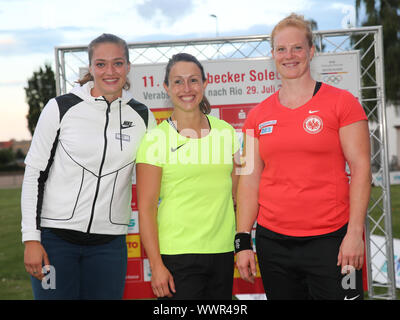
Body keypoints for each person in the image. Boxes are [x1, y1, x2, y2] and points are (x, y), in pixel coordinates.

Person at [235, 13, 371, 300]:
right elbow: (248, 180)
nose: (289, 56)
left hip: (333, 241)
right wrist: (243, 240)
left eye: (297, 47)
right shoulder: (257, 116)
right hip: (274, 245)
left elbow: (361, 169)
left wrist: (354, 234)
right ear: (273, 55)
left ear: (311, 51)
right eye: (281, 49)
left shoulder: (342, 103)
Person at [21, 33, 156, 300]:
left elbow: (153, 180)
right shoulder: (60, 107)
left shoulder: (143, 116)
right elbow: (34, 176)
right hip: (55, 243)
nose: (110, 71)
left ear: (128, 67)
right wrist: (31, 239)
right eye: (101, 64)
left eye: (118, 63)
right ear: (90, 67)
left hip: (109, 245)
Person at [136, 53, 240, 300]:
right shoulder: (154, 139)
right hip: (176, 255)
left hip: (222, 252)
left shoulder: (227, 133)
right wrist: (157, 265)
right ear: (166, 88)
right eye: (178, 81)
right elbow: (146, 208)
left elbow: (238, 194)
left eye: (193, 80)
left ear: (205, 83)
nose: (187, 89)